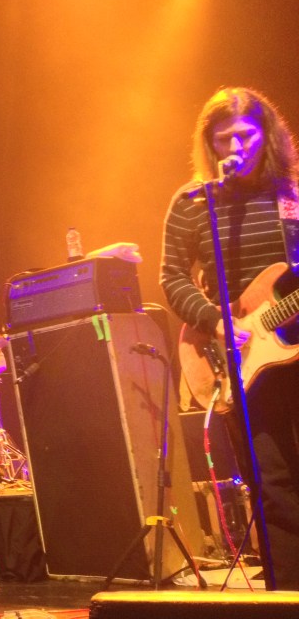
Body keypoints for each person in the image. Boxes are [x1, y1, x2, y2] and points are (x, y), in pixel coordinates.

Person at [160, 87, 299, 589]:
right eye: (223, 140)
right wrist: (219, 323)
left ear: (269, 136)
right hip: (244, 360)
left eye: (245, 136)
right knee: (273, 481)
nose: (234, 148)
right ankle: (288, 594)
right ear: (208, 145)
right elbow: (172, 277)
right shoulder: (193, 202)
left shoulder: (292, 192)